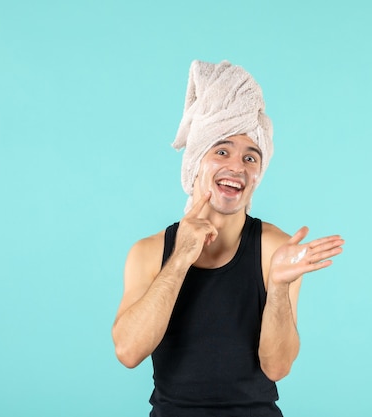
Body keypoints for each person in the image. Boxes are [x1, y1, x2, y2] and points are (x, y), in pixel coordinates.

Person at [112, 60, 344, 417]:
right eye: (222, 151)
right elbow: (128, 352)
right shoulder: (149, 252)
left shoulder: (275, 249)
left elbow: (277, 368)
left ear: (257, 176)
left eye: (250, 157)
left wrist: (279, 287)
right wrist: (180, 259)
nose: (237, 166)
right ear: (195, 164)